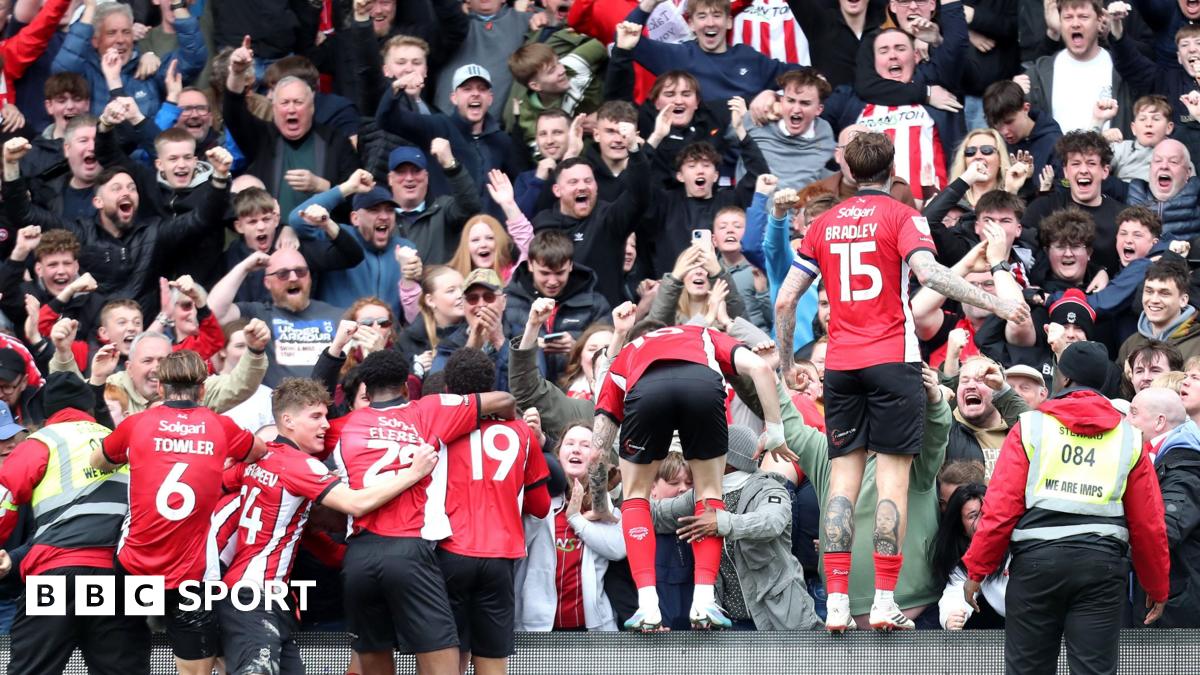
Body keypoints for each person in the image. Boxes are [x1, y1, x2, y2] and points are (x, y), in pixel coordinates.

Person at [774, 131, 1027, 631]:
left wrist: (786, 364)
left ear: (847, 170)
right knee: (891, 483)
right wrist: (996, 302)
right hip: (894, 360)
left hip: (842, 365)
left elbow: (784, 301)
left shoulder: (822, 224)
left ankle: (840, 601)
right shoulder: (902, 215)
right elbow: (930, 276)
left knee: (841, 487)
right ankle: (886, 598)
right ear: (892, 172)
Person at [961, 340, 1170, 673]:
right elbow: (1149, 523)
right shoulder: (1130, 438)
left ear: (1064, 379)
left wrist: (977, 570)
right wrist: (1157, 584)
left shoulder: (1031, 427)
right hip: (1100, 570)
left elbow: (1000, 510)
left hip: (1035, 568)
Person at [588, 306, 797, 631]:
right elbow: (760, 367)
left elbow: (598, 447)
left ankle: (647, 605)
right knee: (710, 491)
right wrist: (774, 429)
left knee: (636, 496)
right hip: (702, 384)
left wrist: (602, 502)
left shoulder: (627, 354)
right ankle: (704, 602)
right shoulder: (703, 335)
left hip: (645, 392)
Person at [214, 378, 440, 675]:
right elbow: (356, 504)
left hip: (255, 596)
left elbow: (220, 481)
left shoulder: (257, 460)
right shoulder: (299, 465)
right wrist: (413, 474)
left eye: (325, 415)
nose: (326, 425)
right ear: (287, 420)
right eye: (316, 417)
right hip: (254, 597)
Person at [324, 349, 516, 675]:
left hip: (358, 557)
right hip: (410, 552)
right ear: (405, 388)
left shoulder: (344, 426)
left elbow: (325, 503)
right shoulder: (428, 409)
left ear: (366, 392)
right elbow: (503, 398)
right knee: (442, 666)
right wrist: (513, 420)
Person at [91, 350, 267, 675]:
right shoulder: (220, 425)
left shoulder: (136, 424)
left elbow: (98, 462)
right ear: (202, 390)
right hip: (192, 574)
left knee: (121, 659)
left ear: (160, 389)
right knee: (195, 671)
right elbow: (258, 451)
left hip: (135, 565)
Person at [0, 372, 149, 675]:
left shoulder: (43, 440)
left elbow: (5, 497)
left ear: (46, 412)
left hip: (57, 574)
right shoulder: (124, 442)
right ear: (89, 408)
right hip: (123, 576)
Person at [439, 348, 551, 673]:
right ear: (492, 386)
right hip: (500, 556)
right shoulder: (521, 432)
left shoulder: (440, 430)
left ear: (449, 390)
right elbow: (541, 507)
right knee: (492, 659)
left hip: (450, 551)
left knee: (449, 658)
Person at [650, 424, 823, 630]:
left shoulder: (769, 488)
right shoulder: (705, 493)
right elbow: (659, 515)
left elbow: (771, 522)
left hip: (780, 621)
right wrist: (620, 493)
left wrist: (720, 523)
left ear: (727, 460)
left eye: (711, 449)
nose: (702, 455)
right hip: (730, 624)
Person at [931, 483, 1007, 630]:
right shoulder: (965, 565)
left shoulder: (1018, 544)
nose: (983, 521)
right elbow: (955, 593)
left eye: (986, 513)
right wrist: (951, 617)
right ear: (962, 530)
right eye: (973, 516)